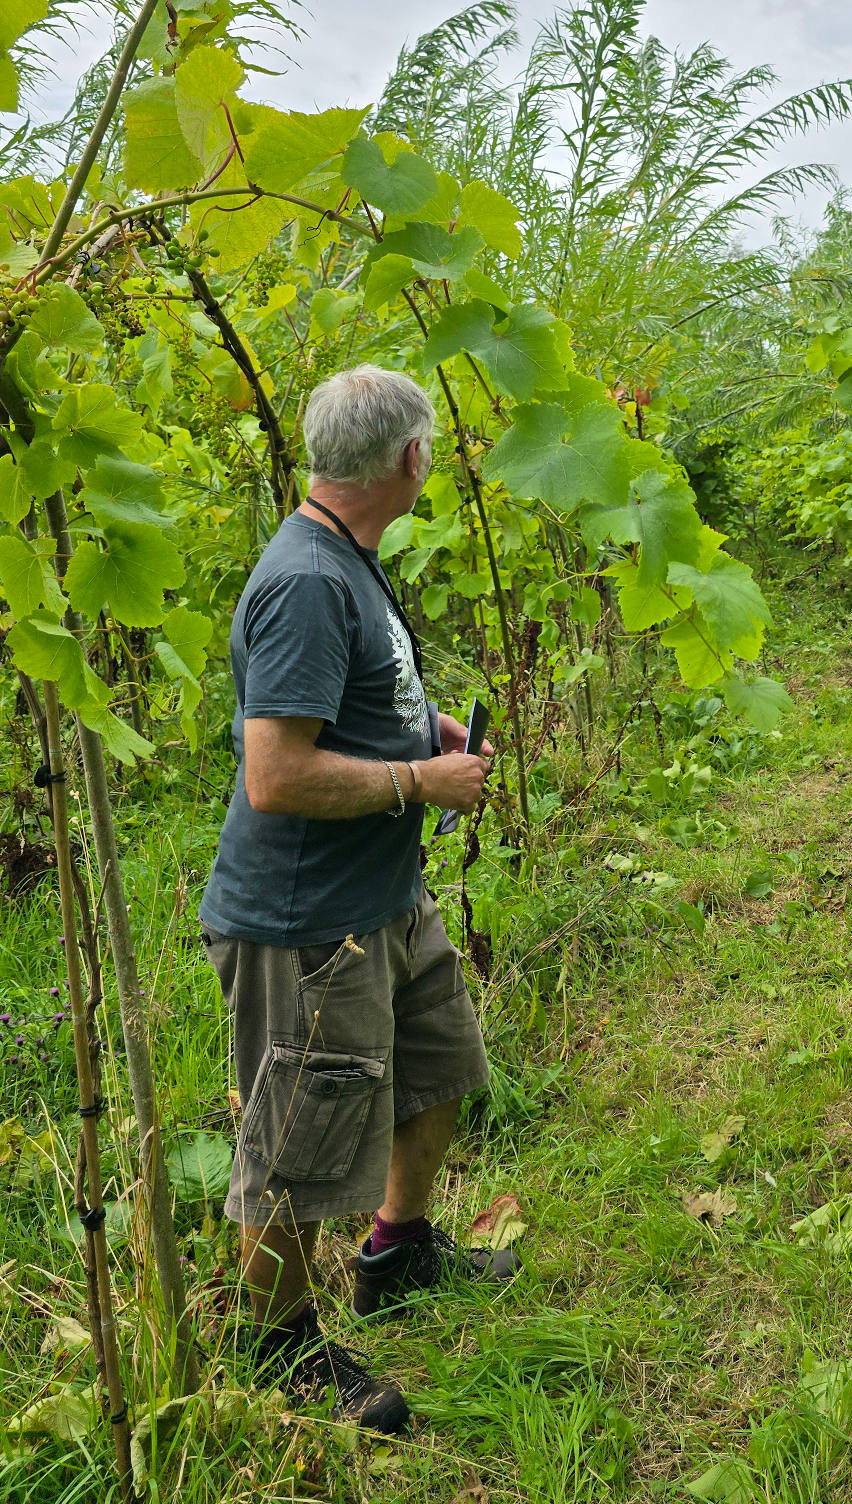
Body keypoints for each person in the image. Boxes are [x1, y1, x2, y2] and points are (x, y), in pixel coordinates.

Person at [198, 364, 513, 1434]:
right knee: (293, 1146)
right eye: (430, 447)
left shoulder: (349, 559)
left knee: (436, 1070)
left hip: (379, 894)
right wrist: (422, 783)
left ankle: (398, 1251)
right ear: (409, 459)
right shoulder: (306, 582)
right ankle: (277, 1347)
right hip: (303, 923)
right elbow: (275, 773)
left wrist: (427, 737)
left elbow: (351, 713)